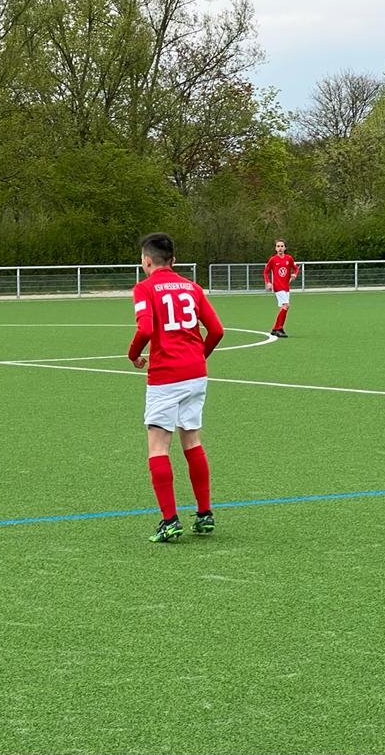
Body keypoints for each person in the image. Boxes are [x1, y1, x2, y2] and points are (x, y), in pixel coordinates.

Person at [128, 232, 225, 543]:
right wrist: (197, 357)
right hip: (196, 374)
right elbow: (217, 330)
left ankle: (169, 520)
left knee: (158, 447)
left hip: (165, 376)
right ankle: (205, 514)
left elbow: (145, 328)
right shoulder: (192, 287)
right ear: (174, 260)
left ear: (146, 260)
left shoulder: (144, 288)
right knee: (192, 441)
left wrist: (133, 354)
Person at [263, 239, 299, 338]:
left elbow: (296, 268)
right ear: (275, 248)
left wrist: (295, 274)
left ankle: (275, 329)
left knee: (284, 307)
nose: (280, 248)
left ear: (285, 248)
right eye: (278, 246)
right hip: (278, 286)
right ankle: (279, 329)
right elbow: (265, 272)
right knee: (286, 305)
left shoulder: (289, 258)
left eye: (282, 246)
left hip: (286, 287)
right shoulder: (273, 259)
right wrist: (268, 282)